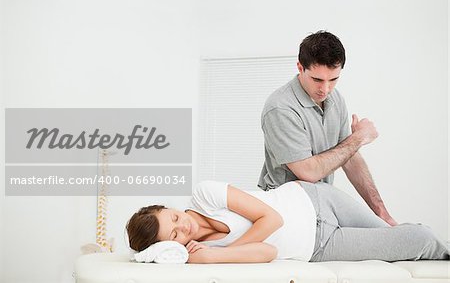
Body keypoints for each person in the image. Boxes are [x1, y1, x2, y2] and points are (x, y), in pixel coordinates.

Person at [258, 30, 397, 226]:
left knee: (392, 232)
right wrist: (358, 138)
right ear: (300, 67)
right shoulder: (280, 108)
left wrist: (382, 214)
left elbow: (349, 157)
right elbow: (308, 172)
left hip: (321, 204)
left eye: (333, 80)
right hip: (287, 211)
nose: (325, 89)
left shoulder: (335, 99)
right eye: (317, 80)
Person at [126, 180, 449, 264]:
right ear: (170, 246)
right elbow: (266, 252)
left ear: (169, 207)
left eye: (173, 218)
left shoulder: (205, 194)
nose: (184, 227)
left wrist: (233, 248)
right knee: (416, 240)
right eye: (175, 234)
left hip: (316, 198)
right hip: (320, 245)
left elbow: (272, 218)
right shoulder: (200, 252)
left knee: (394, 237)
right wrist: (213, 255)